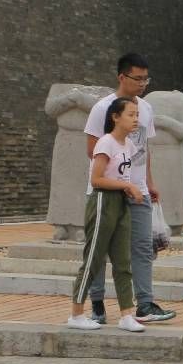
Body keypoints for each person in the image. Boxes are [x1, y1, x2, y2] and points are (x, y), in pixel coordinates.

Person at [82, 52, 174, 324]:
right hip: (108, 191)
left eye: (146, 79)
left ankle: (145, 304)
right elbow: (92, 150)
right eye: (138, 78)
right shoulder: (102, 108)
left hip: (139, 189)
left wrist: (149, 182)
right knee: (100, 248)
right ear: (122, 77)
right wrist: (120, 181)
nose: (143, 83)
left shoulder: (146, 108)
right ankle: (97, 304)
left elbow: (144, 148)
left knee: (143, 247)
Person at [69, 97, 148, 332]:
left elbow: (125, 175)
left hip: (121, 203)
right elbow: (97, 179)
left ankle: (126, 314)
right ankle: (76, 313)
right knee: (94, 258)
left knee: (123, 261)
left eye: (137, 115)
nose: (135, 119)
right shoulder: (106, 143)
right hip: (103, 201)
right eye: (130, 115)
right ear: (115, 117)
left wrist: (132, 189)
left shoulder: (128, 145)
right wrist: (127, 186)